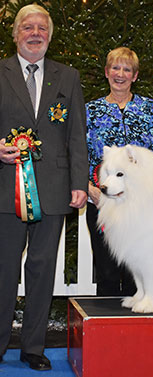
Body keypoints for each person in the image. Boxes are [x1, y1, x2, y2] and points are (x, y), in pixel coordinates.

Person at [0, 4, 88, 371]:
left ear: (49, 35)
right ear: (16, 33)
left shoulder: (67, 77)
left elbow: (76, 134)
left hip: (53, 191)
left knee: (42, 270)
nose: (35, 33)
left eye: (41, 28)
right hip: (6, 190)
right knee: (3, 271)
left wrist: (79, 183)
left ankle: (33, 348)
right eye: (27, 27)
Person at [86, 47, 153, 296]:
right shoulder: (90, 110)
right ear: (106, 72)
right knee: (107, 271)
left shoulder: (149, 108)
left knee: (138, 271)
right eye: (115, 67)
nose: (120, 74)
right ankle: (107, 332)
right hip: (102, 202)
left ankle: (139, 330)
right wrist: (89, 189)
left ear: (134, 76)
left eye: (126, 69)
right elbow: (77, 155)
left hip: (140, 206)